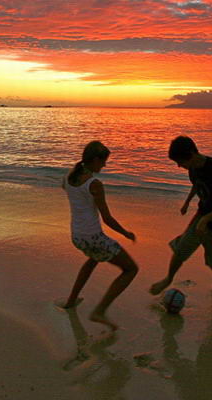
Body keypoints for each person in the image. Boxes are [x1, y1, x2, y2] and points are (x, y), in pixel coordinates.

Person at [150, 136, 212, 300]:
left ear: (192, 154)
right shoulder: (193, 169)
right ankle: (168, 278)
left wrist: (205, 220)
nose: (180, 166)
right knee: (181, 248)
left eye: (181, 162)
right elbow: (197, 184)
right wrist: (187, 202)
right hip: (202, 215)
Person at [61, 141, 138, 330]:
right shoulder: (94, 184)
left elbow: (71, 193)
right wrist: (126, 233)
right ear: (95, 160)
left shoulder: (70, 176)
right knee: (131, 269)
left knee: (93, 259)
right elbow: (107, 219)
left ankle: (71, 301)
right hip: (92, 237)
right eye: (103, 162)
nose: (104, 166)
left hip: (77, 236)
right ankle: (100, 311)